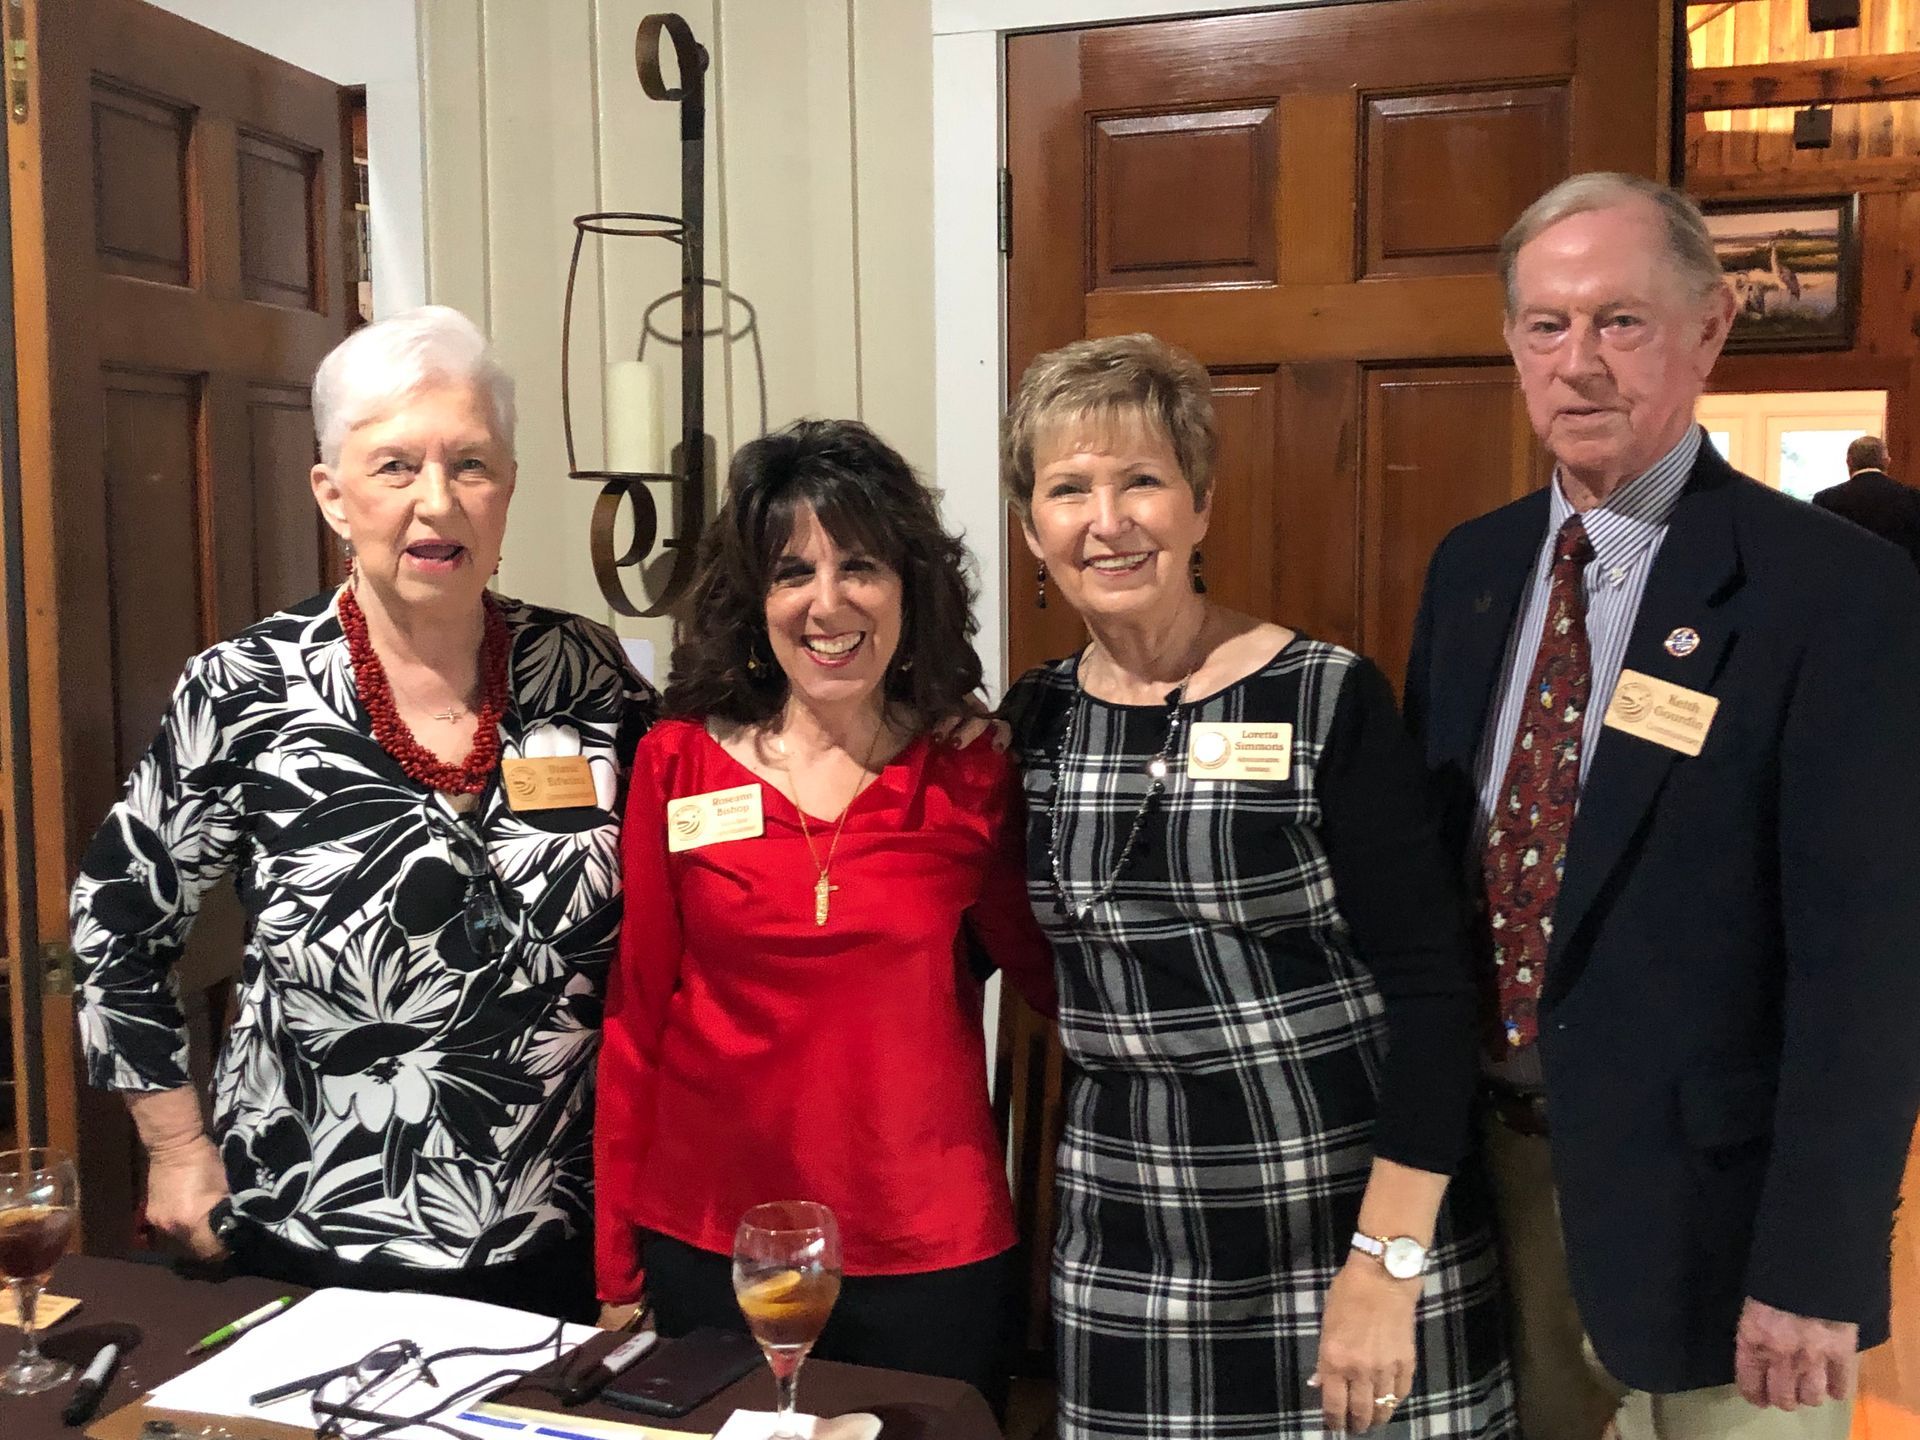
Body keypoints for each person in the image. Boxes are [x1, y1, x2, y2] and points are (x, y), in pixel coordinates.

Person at [1404, 173, 1920, 1440]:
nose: (1579, 361)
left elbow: (1870, 965)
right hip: (1502, 1182)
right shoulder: (1472, 573)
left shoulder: (1832, 593)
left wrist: (1818, 1264)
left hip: (1726, 1219)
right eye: (1547, 325)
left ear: (1710, 328)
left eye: (1620, 321)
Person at [69, 306, 657, 1320]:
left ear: (509, 488)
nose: (438, 501)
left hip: (554, 1233)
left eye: (471, 465)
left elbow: (714, 831)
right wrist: (175, 1148)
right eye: (395, 467)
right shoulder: (245, 689)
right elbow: (116, 923)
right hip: (307, 1230)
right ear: (332, 496)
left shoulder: (585, 670)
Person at [999, 334, 1515, 1438]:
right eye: (1068, 489)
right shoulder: (1029, 723)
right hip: (1131, 1248)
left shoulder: (1324, 697)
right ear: (1031, 528)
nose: (1108, 520)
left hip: (1351, 1227)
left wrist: (1386, 1262)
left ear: (1201, 505)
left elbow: (1433, 994)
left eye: (1143, 480)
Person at [594, 418, 1056, 1411]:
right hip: (711, 1241)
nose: (828, 602)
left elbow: (1055, 977)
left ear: (909, 587)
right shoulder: (678, 763)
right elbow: (636, 1016)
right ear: (752, 599)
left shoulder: (973, 770)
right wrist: (615, 1265)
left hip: (928, 1247)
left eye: (860, 567)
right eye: (792, 572)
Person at [1809, 435, 1920, 572]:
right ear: (1886, 462)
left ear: (1849, 462)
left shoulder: (1825, 500)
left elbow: (1819, 550)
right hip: (1898, 578)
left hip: (1845, 578)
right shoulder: (1913, 498)